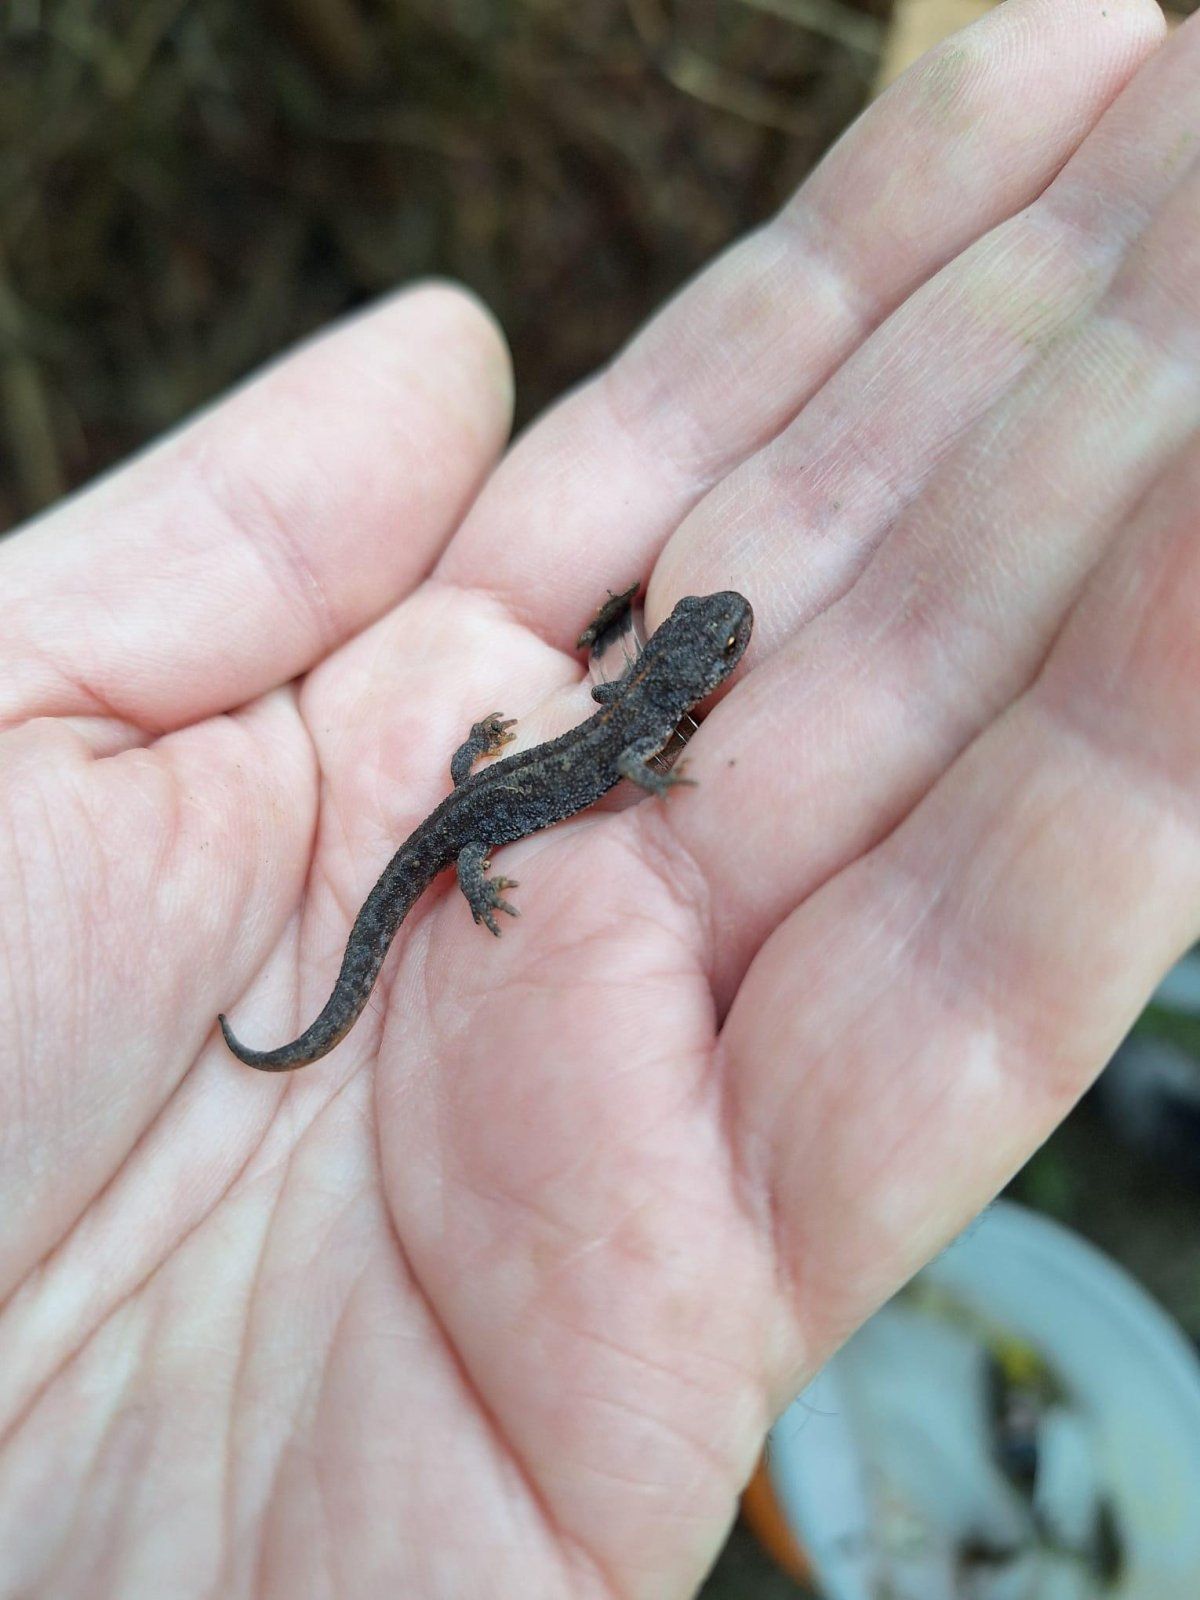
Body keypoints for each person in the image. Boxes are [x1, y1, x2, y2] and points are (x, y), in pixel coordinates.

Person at [1, 0, 1196, 1592]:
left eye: (712, 652)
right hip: (479, 818)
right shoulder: (633, 730)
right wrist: (494, 846)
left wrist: (520, 794)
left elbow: (615, 753)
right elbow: (623, 772)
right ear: (686, 677)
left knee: (462, 841)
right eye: (713, 648)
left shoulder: (635, 702)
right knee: (432, 879)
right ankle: (396, 932)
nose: (718, 648)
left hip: (487, 804)